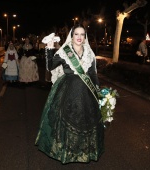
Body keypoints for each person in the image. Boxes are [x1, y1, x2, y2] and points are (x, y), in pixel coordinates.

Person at [35, 24, 105, 164]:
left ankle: (84, 151)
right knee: (66, 122)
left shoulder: (89, 54)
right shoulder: (64, 52)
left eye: (82, 34)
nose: (79, 37)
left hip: (86, 93)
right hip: (67, 91)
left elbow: (92, 74)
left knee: (86, 122)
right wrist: (49, 48)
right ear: (71, 36)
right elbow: (50, 67)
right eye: (76, 34)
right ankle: (68, 152)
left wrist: (98, 91)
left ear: (85, 37)